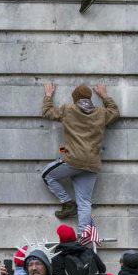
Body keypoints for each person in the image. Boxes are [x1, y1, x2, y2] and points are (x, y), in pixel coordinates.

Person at [41, 83, 120, 231]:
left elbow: (47, 112)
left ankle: (68, 203)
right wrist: (104, 96)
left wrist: (48, 95)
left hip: (73, 160)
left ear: (74, 98)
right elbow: (115, 112)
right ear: (90, 97)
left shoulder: (68, 109)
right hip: (92, 164)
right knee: (84, 202)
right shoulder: (101, 113)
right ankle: (83, 236)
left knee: (47, 174)